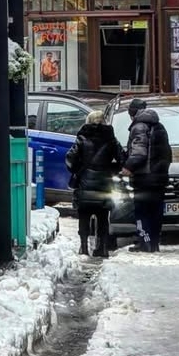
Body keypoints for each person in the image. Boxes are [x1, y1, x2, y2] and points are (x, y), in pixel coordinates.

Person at [66, 110, 125, 257]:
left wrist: (79, 170)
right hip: (104, 185)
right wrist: (111, 170)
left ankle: (84, 248)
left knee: (84, 216)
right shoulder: (111, 139)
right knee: (103, 217)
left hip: (85, 184)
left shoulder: (82, 138)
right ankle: (102, 248)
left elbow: (70, 159)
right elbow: (123, 159)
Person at [122, 98, 172, 253]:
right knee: (156, 212)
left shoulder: (139, 127)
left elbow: (139, 152)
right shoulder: (159, 126)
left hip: (144, 179)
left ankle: (145, 243)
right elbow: (168, 154)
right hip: (159, 179)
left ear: (133, 113)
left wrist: (128, 167)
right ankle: (154, 244)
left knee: (142, 213)